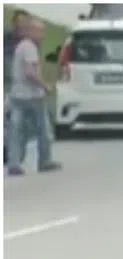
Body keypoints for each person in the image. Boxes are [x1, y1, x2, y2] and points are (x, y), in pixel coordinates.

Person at [6, 17, 61, 176]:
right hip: (32, 97)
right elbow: (30, 72)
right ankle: (44, 161)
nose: (42, 35)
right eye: (40, 31)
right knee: (43, 130)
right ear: (31, 31)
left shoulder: (21, 47)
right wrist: (46, 86)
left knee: (16, 131)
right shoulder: (30, 47)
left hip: (17, 95)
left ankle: (14, 163)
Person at [4, 8, 30, 165]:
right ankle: (12, 157)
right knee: (11, 122)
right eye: (19, 22)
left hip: (25, 89)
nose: (21, 26)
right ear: (13, 23)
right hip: (8, 86)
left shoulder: (30, 42)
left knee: (22, 123)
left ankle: (18, 155)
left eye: (24, 23)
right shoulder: (6, 39)